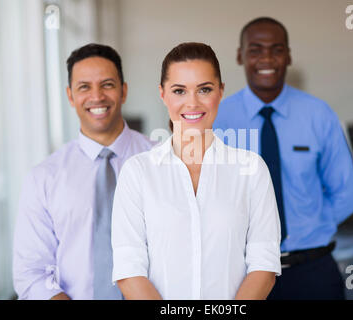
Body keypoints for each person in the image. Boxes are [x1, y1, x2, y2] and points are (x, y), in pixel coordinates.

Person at [111, 42, 281, 300]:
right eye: (179, 90)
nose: (192, 103)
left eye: (204, 89)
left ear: (221, 91)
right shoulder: (137, 173)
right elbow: (129, 268)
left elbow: (264, 265)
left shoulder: (252, 170)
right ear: (162, 93)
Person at [213, 17, 353, 300]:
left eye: (276, 49)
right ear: (240, 55)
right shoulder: (217, 118)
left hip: (311, 272)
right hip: (239, 274)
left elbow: (345, 193)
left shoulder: (319, 115)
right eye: (255, 49)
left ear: (288, 56)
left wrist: (311, 226)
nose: (266, 58)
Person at [13, 43, 155, 300]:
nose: (97, 96)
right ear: (70, 96)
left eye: (107, 85)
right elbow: (31, 271)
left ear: (123, 91)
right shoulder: (44, 178)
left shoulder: (163, 162)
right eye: (84, 87)